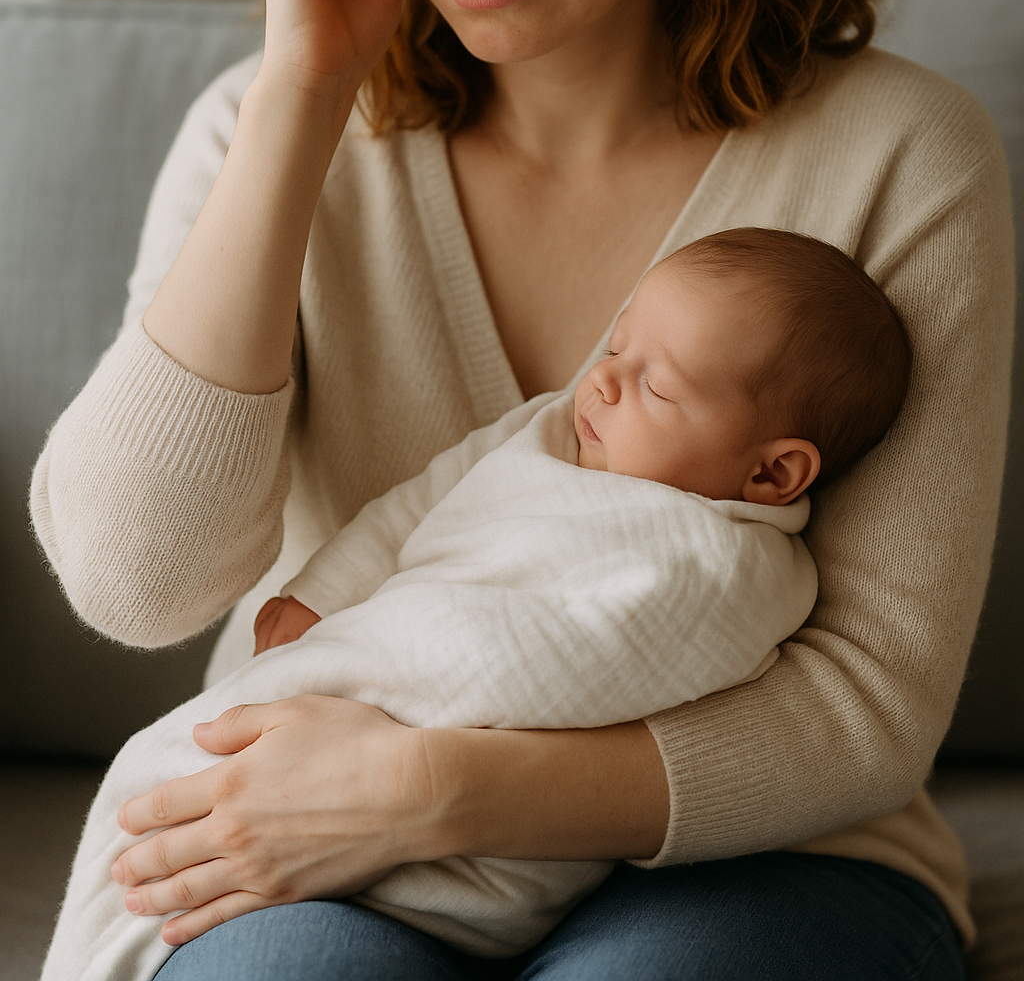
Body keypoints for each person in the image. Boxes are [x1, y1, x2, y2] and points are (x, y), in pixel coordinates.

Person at [29, 0, 1012, 981]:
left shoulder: (900, 160)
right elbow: (133, 576)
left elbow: (867, 708)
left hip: (754, 862)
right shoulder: (271, 129)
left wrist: (429, 791)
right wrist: (305, 93)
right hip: (305, 848)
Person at [41, 230, 909, 981]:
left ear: (771, 473)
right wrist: (321, 597)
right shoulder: (545, 431)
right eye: (615, 345)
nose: (602, 384)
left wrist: (416, 774)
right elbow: (412, 510)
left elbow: (584, 661)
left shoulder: (732, 569)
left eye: (658, 387)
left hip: (530, 834)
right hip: (321, 727)